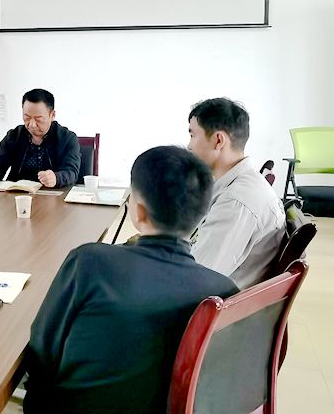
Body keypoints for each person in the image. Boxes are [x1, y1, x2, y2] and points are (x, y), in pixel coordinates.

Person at [23, 146, 238, 414]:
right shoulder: (224, 292)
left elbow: (41, 352)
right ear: (202, 215)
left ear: (139, 211)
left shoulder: (90, 263)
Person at [187, 98, 286, 287]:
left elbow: (196, 278)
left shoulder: (236, 202)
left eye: (193, 135)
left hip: (213, 300)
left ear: (218, 140)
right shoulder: (237, 186)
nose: (189, 146)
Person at [0, 88, 80, 188]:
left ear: (52, 115)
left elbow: (71, 172)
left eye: (38, 119)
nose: (32, 125)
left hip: (52, 195)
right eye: (27, 118)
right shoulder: (14, 136)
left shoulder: (67, 138)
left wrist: (56, 178)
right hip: (17, 194)